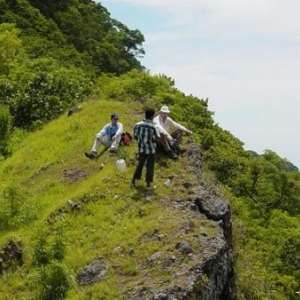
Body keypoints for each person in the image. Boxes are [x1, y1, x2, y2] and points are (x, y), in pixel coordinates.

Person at [131, 108, 160, 191]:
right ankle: (148, 184)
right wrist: (152, 140)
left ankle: (133, 180)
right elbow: (157, 138)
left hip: (141, 149)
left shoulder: (138, 124)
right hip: (150, 150)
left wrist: (142, 140)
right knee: (150, 166)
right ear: (152, 116)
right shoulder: (153, 127)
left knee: (140, 164)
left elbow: (135, 136)